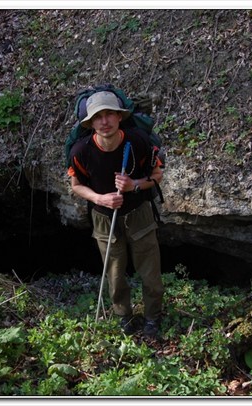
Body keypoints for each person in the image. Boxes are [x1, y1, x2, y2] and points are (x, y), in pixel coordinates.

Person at [67, 90, 165, 338]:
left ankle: (153, 318)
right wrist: (100, 198)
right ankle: (124, 318)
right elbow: (76, 185)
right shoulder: (81, 151)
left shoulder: (139, 142)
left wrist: (133, 185)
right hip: (103, 217)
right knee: (114, 273)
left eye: (109, 113)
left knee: (150, 273)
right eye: (98, 117)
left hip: (138, 213)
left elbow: (156, 177)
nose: (104, 121)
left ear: (120, 117)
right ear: (89, 123)